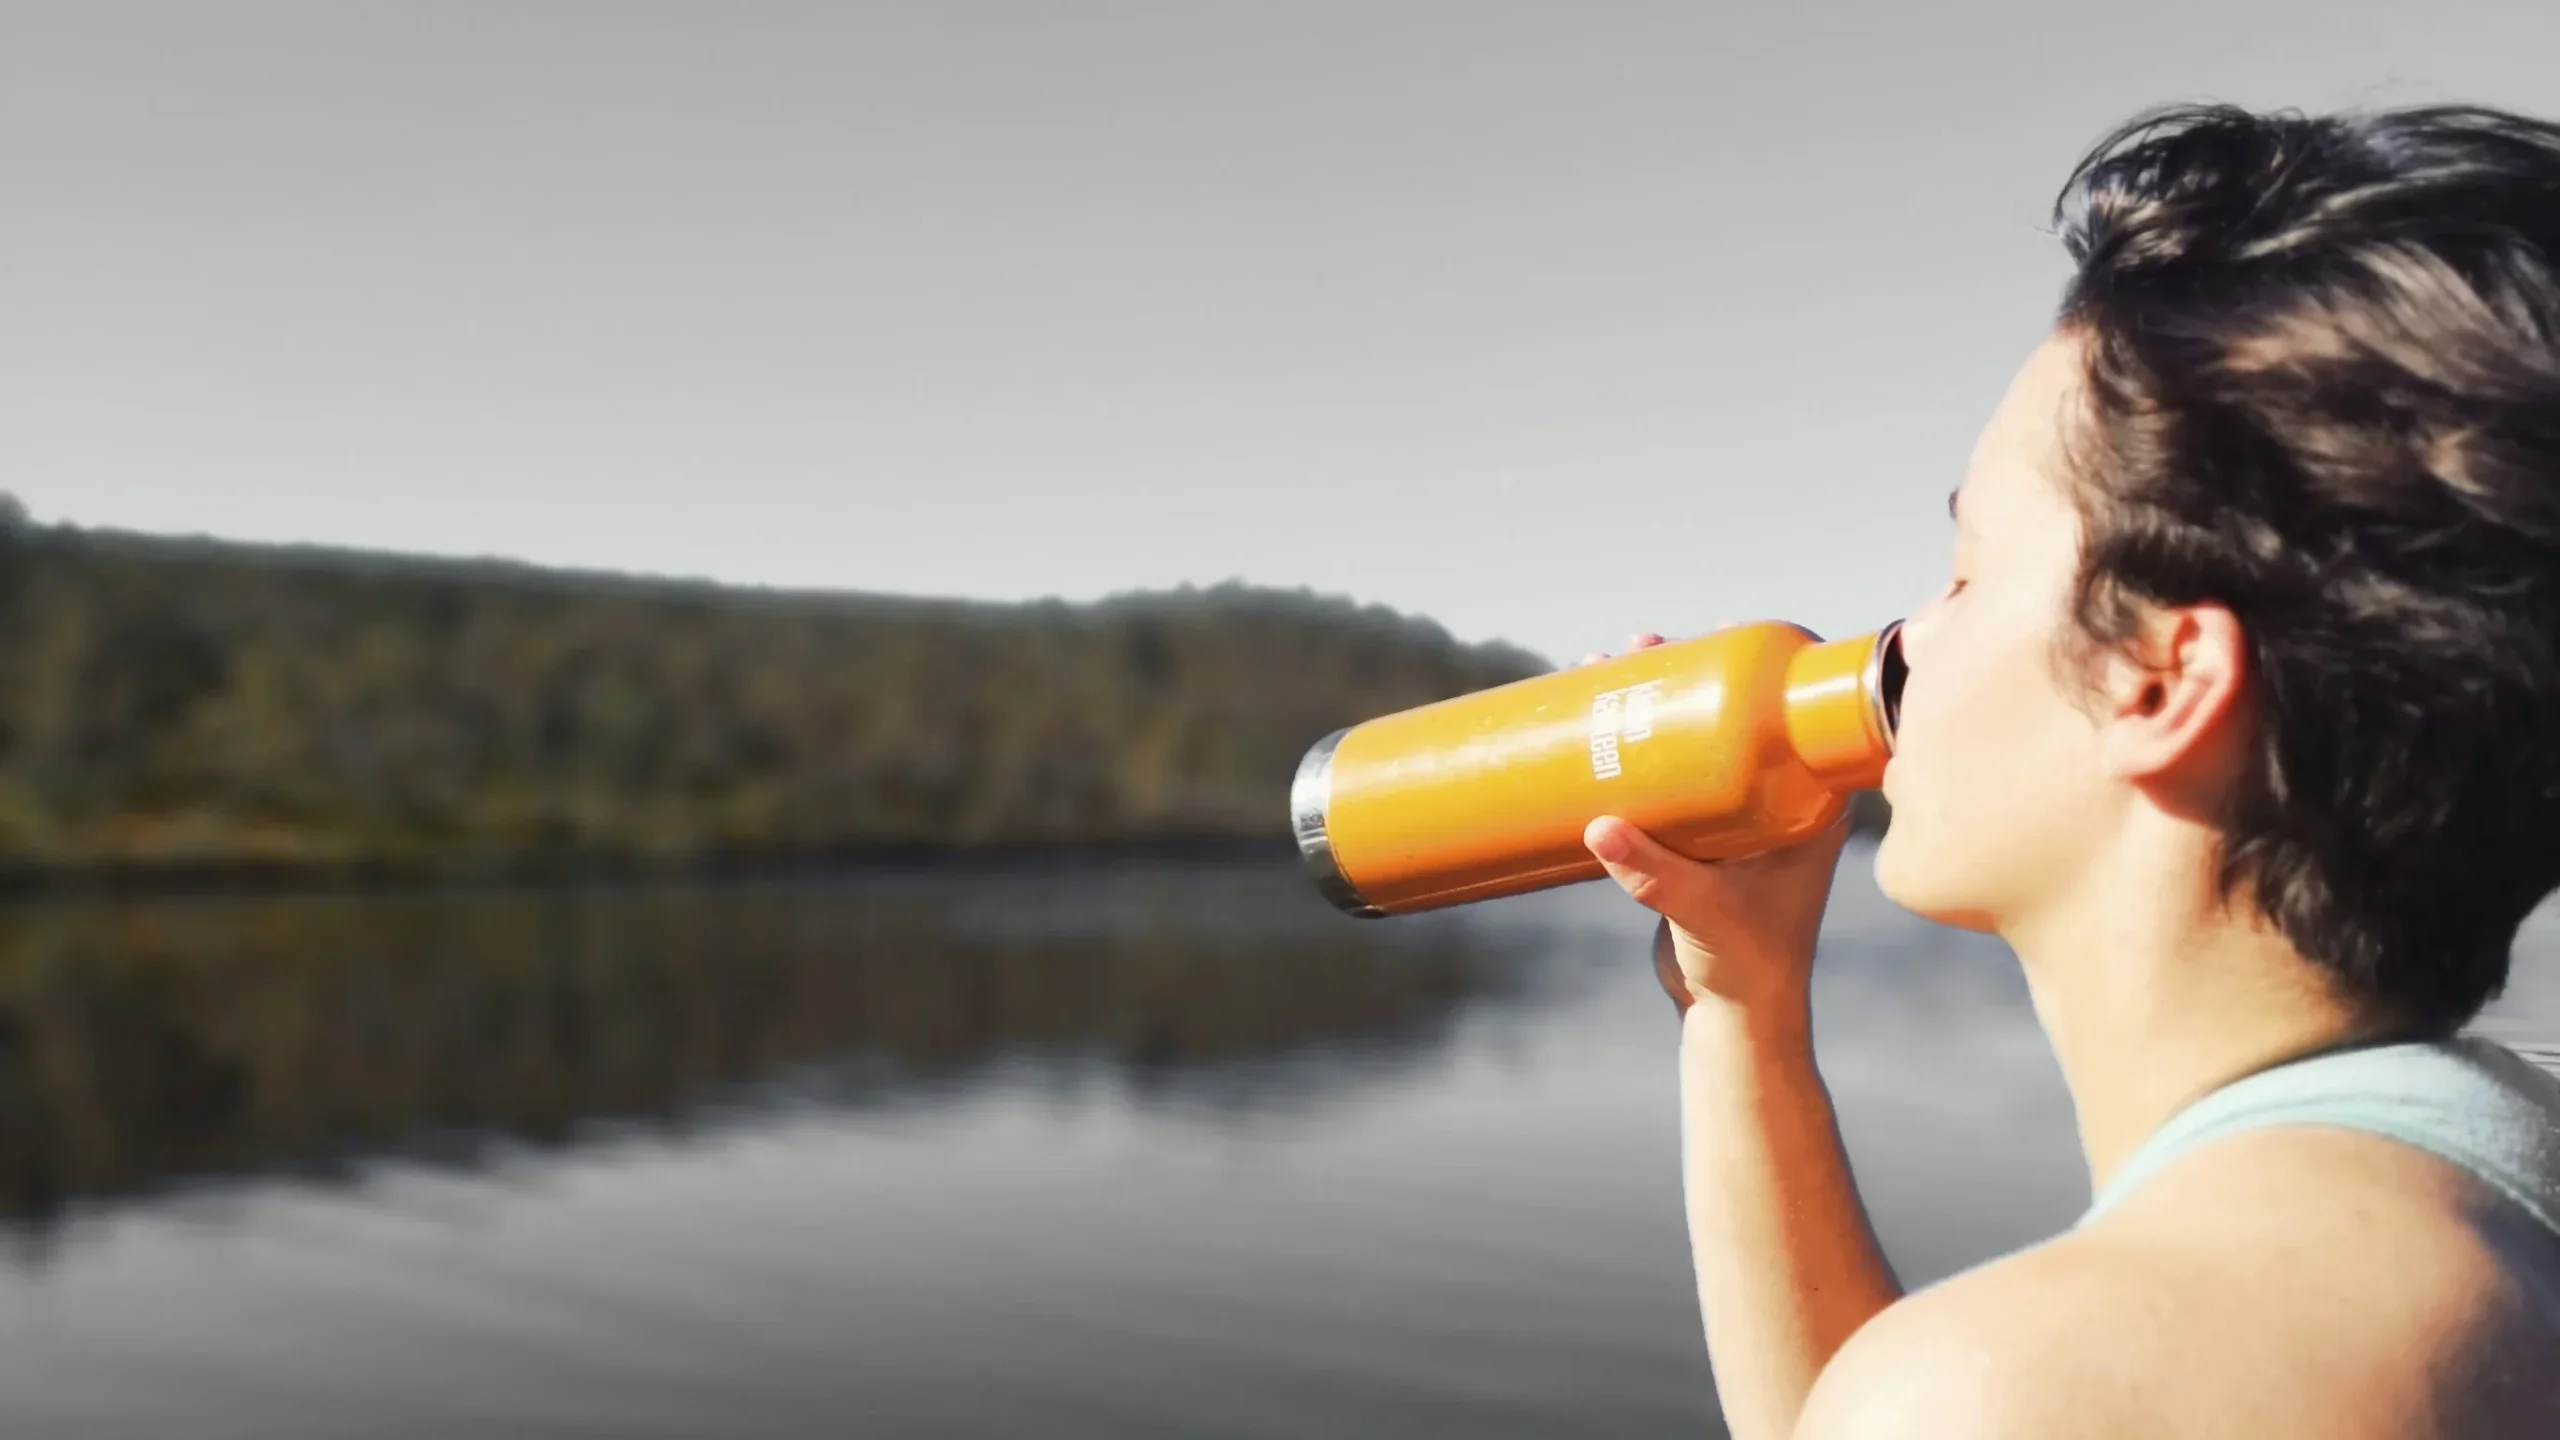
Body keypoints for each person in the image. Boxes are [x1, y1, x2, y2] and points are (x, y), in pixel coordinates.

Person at [1578, 102, 2560, 1439]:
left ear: (2159, 681)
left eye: (1967, 573)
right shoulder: (2504, 1176)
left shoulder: (2022, 1391)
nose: (1902, 645)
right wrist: (1745, 1016)